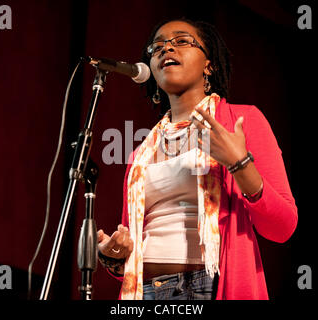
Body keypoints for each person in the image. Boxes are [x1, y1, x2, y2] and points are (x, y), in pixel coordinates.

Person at [96, 18, 298, 300]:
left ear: (209, 64)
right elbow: (130, 242)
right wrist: (113, 256)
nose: (167, 49)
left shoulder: (241, 120)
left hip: (208, 287)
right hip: (146, 291)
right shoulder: (140, 153)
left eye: (181, 41)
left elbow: (283, 226)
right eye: (157, 47)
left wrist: (239, 165)